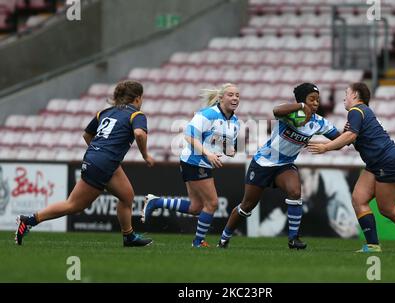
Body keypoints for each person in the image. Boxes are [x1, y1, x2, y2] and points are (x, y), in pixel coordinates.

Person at [15, 80, 155, 247]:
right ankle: (29, 220)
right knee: (74, 205)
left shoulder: (105, 112)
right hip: (104, 161)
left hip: (97, 158)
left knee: (127, 196)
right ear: (138, 98)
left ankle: (129, 236)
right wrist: (145, 155)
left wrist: (100, 153)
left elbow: (87, 135)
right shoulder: (136, 115)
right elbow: (139, 134)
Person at [308, 82, 395, 252]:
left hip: (388, 162)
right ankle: (373, 245)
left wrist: (326, 147)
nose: (344, 97)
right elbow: (349, 138)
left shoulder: (356, 111)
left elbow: (350, 136)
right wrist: (335, 140)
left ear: (355, 95)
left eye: (346, 93)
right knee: (358, 200)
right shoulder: (361, 113)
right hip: (377, 163)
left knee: (387, 209)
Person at [218, 83, 340, 250]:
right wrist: (301, 107)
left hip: (284, 165)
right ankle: (224, 238)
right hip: (263, 163)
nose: (316, 103)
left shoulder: (319, 123)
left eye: (318, 100)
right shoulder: (291, 115)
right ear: (302, 101)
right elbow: (276, 111)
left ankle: (293, 239)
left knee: (295, 192)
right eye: (311, 99)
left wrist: (350, 134)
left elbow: (338, 140)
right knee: (247, 206)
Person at [141, 83, 240, 248]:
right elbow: (189, 137)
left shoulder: (235, 121)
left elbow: (230, 148)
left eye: (237, 95)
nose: (235, 98)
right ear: (221, 97)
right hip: (194, 161)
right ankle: (198, 242)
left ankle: (156, 202)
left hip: (201, 163)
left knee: (195, 207)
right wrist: (208, 153)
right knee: (212, 204)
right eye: (230, 94)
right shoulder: (208, 114)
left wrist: (229, 150)